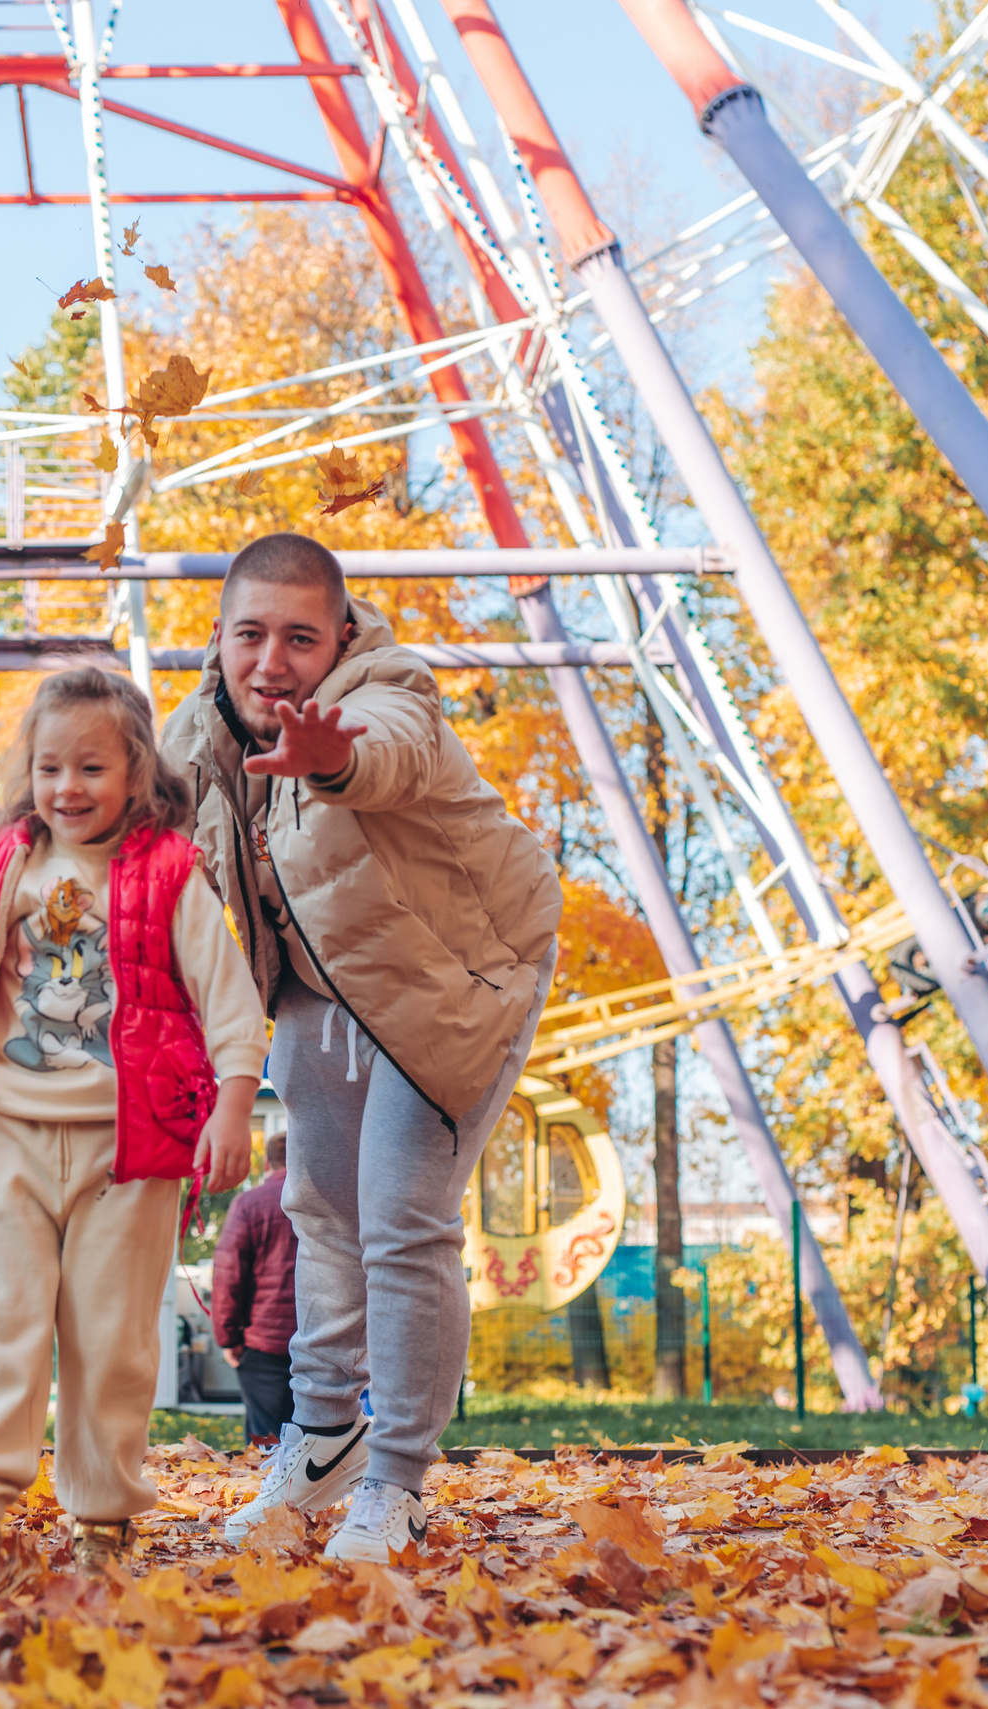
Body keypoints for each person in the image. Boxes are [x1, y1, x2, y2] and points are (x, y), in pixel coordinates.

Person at [159, 532, 562, 1562]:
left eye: (301, 636)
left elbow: (388, 752)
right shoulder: (195, 736)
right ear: (218, 636)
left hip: (458, 979)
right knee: (318, 1210)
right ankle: (323, 1434)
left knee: (397, 1211)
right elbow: (128, 823)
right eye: (250, 633)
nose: (272, 661)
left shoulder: (388, 689)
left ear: (340, 635)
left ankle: (394, 1483)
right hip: (317, 986)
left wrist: (330, 757)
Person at [0, 667, 264, 1598]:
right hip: (8, 1135)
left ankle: (105, 1521)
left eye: (92, 766)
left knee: (111, 1338)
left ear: (136, 774)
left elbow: (225, 992)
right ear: (28, 773)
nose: (68, 787)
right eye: (50, 767)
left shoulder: (169, 872)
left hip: (132, 1147)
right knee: (0, 1324)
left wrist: (235, 1102)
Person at [211, 1128, 297, 1445]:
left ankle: (269, 1489)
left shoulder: (249, 1204)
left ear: (266, 1165)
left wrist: (228, 1338)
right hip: (324, 1342)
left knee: (267, 1441)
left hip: (265, 1345)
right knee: (322, 1441)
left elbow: (228, 1275)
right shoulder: (333, 1200)